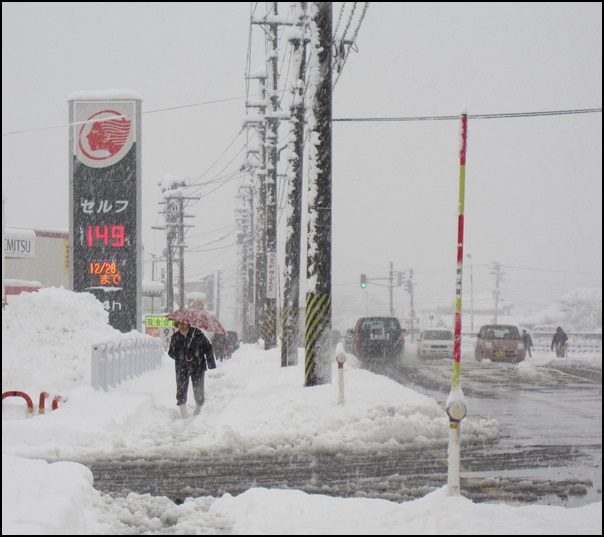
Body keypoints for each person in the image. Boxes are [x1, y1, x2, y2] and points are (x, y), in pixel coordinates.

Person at [168, 321, 216, 418]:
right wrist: (182, 357)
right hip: (182, 368)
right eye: (180, 324)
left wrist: (209, 362)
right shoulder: (175, 337)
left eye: (184, 323)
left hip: (197, 366)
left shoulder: (197, 334)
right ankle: (184, 415)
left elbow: (208, 347)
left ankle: (198, 410)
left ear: (189, 324)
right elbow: (171, 353)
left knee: (198, 389)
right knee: (181, 389)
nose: (182, 325)